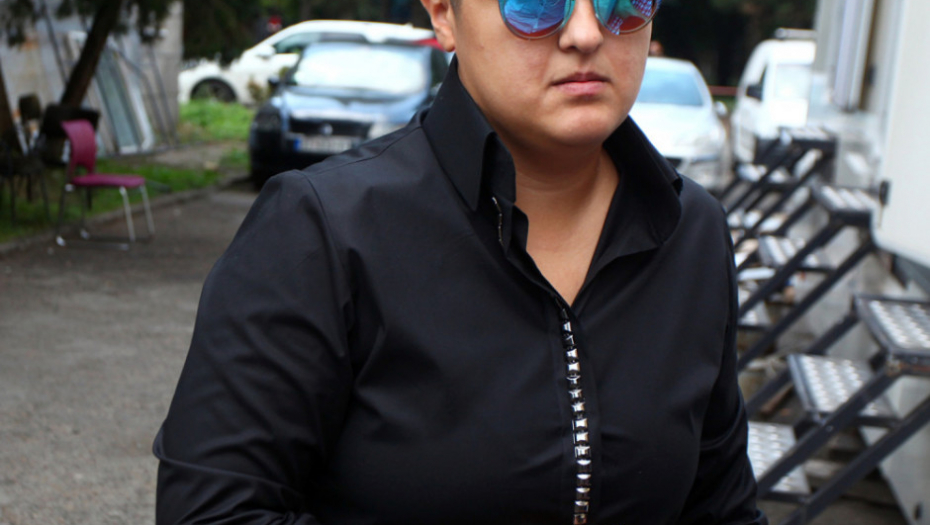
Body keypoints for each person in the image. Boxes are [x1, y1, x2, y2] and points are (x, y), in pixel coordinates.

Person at [154, 0, 767, 523]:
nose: (585, 33)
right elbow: (215, 510)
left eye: (622, 1)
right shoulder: (322, 229)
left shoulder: (691, 232)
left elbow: (721, 506)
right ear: (445, 14)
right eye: (535, 3)